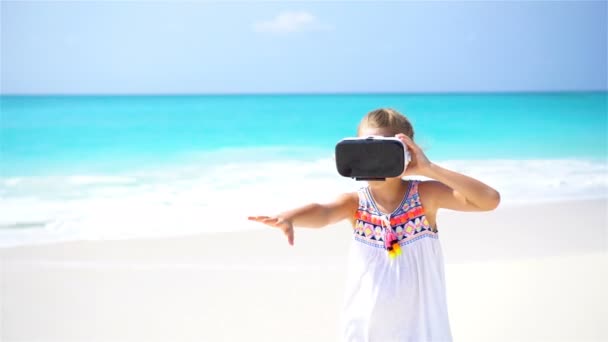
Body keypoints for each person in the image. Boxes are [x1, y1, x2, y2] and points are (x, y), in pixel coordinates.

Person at [248, 108, 501, 342]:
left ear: (406, 152)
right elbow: (323, 212)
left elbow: (489, 200)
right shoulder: (355, 204)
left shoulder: (425, 196)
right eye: (364, 153)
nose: (372, 163)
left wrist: (429, 168)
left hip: (421, 331)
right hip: (366, 331)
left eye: (382, 152)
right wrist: (290, 217)